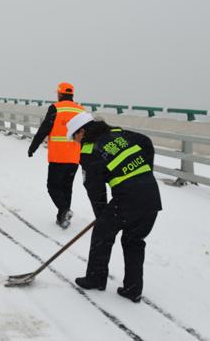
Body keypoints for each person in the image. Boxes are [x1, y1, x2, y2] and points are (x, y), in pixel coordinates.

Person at [66, 112, 161, 303]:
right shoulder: (119, 134)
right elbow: (146, 141)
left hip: (128, 198)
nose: (76, 142)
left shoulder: (89, 150)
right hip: (151, 195)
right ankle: (133, 289)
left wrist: (101, 215)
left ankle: (95, 278)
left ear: (82, 131)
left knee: (102, 234)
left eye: (75, 137)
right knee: (134, 241)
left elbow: (94, 189)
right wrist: (145, 171)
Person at [27, 82, 85, 228]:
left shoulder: (55, 108)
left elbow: (44, 129)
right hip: (74, 157)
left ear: (59, 94)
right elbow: (87, 134)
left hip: (58, 156)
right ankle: (62, 218)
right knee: (67, 187)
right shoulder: (81, 110)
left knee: (52, 186)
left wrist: (33, 147)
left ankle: (64, 210)